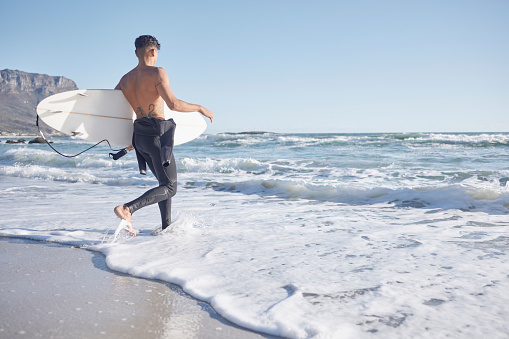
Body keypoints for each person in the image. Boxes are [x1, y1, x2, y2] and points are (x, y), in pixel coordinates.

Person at [113, 35, 213, 236]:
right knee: (170, 186)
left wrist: (128, 139)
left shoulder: (125, 79)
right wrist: (200, 108)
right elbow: (173, 104)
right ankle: (128, 208)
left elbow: (115, 110)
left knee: (163, 183)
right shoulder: (158, 72)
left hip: (139, 135)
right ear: (153, 52)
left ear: (136, 53)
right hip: (156, 132)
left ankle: (167, 227)